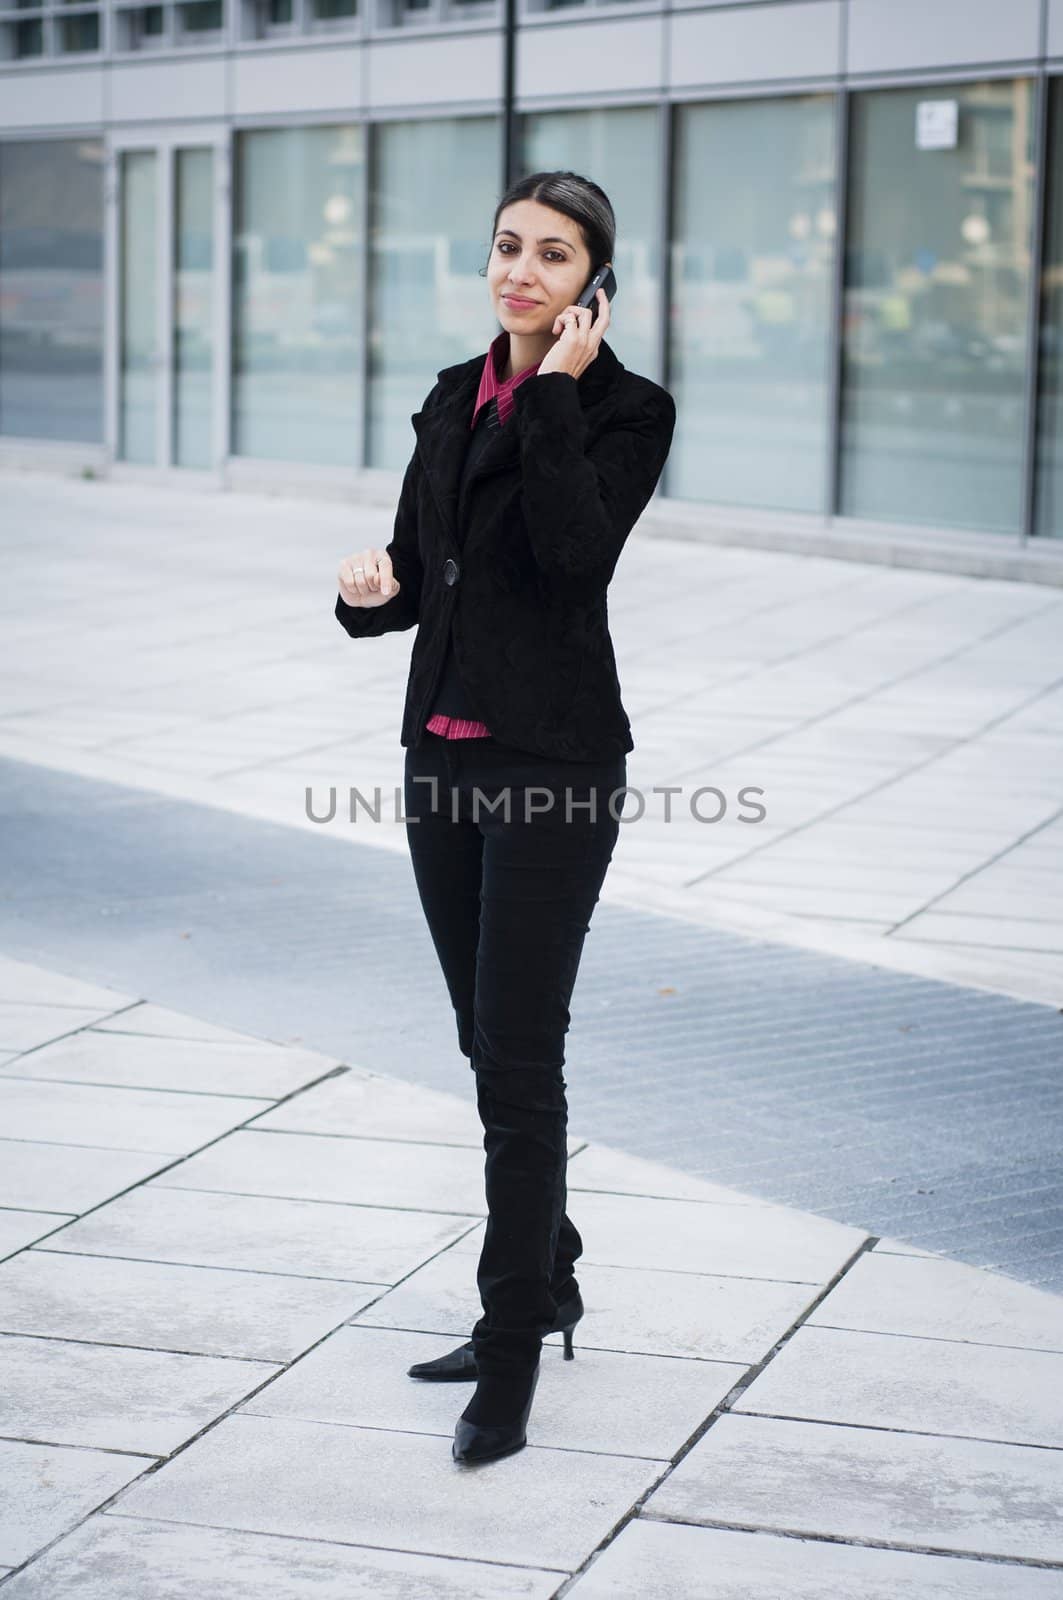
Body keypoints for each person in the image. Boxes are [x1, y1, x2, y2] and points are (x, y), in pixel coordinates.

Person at [335, 169, 676, 1465]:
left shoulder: (626, 410)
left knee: (522, 1063)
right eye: (506, 247)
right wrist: (372, 589)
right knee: (486, 1040)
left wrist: (546, 394)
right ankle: (553, 1267)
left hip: (556, 768)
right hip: (441, 763)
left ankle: (515, 1345)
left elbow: (574, 556)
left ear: (592, 280)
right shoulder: (445, 392)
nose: (520, 272)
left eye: (551, 255)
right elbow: (424, 571)